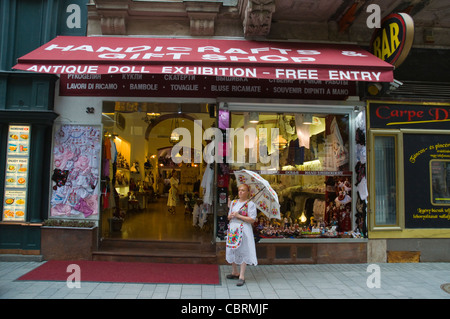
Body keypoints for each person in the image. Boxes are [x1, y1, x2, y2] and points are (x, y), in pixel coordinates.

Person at [226, 183, 257, 286]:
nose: (240, 192)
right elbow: (229, 217)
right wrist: (230, 216)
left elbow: (252, 219)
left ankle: (242, 275)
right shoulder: (234, 203)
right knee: (232, 249)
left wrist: (239, 216)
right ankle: (234, 271)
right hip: (233, 229)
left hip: (244, 229)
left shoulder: (250, 204)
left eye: (243, 190)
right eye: (239, 190)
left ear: (248, 192)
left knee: (243, 250)